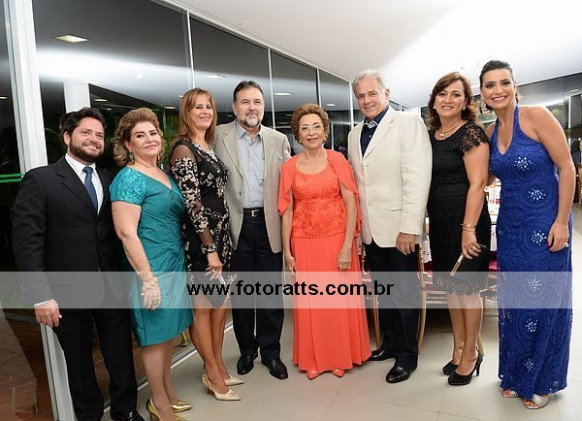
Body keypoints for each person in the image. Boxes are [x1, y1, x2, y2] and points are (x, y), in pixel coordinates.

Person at [12, 108, 143, 421]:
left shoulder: (110, 180)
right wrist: (40, 296)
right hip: (66, 292)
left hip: (111, 286)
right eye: (86, 132)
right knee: (80, 363)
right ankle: (89, 416)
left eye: (99, 135)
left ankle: (125, 411)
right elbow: (27, 243)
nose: (94, 139)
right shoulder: (41, 180)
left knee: (121, 356)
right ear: (68, 136)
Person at [480, 60, 574, 409]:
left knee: (544, 302)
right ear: (482, 94)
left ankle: (543, 381)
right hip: (510, 228)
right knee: (516, 304)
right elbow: (487, 178)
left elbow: (566, 167)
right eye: (490, 85)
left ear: (515, 87)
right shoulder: (490, 132)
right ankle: (515, 375)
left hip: (546, 224)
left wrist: (562, 221)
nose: (498, 90)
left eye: (505, 82)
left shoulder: (536, 116)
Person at [347, 69, 432, 383]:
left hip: (400, 229)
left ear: (386, 93)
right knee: (383, 292)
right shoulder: (354, 134)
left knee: (405, 294)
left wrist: (410, 227)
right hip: (371, 230)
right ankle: (390, 343)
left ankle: (407, 356)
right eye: (361, 96)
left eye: (372, 93)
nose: (367, 100)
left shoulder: (408, 123)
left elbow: (417, 178)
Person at [110, 108, 193, 421]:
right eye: (139, 135)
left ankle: (168, 391)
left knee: (168, 333)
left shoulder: (161, 172)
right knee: (154, 338)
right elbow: (126, 232)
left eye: (153, 133)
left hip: (173, 263)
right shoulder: (129, 178)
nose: (149, 139)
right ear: (127, 144)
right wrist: (147, 279)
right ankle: (159, 404)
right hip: (150, 268)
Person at [279, 104, 371, 379]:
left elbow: (351, 203)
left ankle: (339, 356)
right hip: (304, 242)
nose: (311, 133)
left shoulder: (337, 161)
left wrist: (347, 246)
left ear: (325, 131)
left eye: (316, 127)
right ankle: (314, 359)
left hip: (336, 240)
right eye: (305, 128)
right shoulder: (289, 167)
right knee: (312, 303)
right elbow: (287, 211)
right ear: (297, 134)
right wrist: (287, 252)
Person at [214, 81, 291, 380]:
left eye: (257, 102)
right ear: (235, 107)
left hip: (269, 224)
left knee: (271, 293)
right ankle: (247, 350)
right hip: (236, 226)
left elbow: (288, 186)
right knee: (243, 294)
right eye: (245, 102)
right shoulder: (218, 135)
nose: (251, 107)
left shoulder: (277, 139)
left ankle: (271, 352)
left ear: (263, 106)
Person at [169, 88, 241, 401]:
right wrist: (210, 249)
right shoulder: (183, 150)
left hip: (222, 236)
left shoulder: (207, 146)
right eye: (197, 107)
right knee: (203, 309)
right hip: (201, 242)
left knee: (220, 305)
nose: (204, 112)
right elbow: (193, 203)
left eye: (208, 107)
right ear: (186, 113)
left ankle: (219, 367)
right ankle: (212, 373)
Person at [426, 72, 491, 386]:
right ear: (434, 100)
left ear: (466, 102)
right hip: (440, 224)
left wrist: (468, 230)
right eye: (443, 93)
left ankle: (471, 355)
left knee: (467, 289)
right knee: (451, 289)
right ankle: (458, 348)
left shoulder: (471, 133)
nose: (448, 99)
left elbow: (478, 184)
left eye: (456, 94)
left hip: (468, 223)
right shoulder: (430, 135)